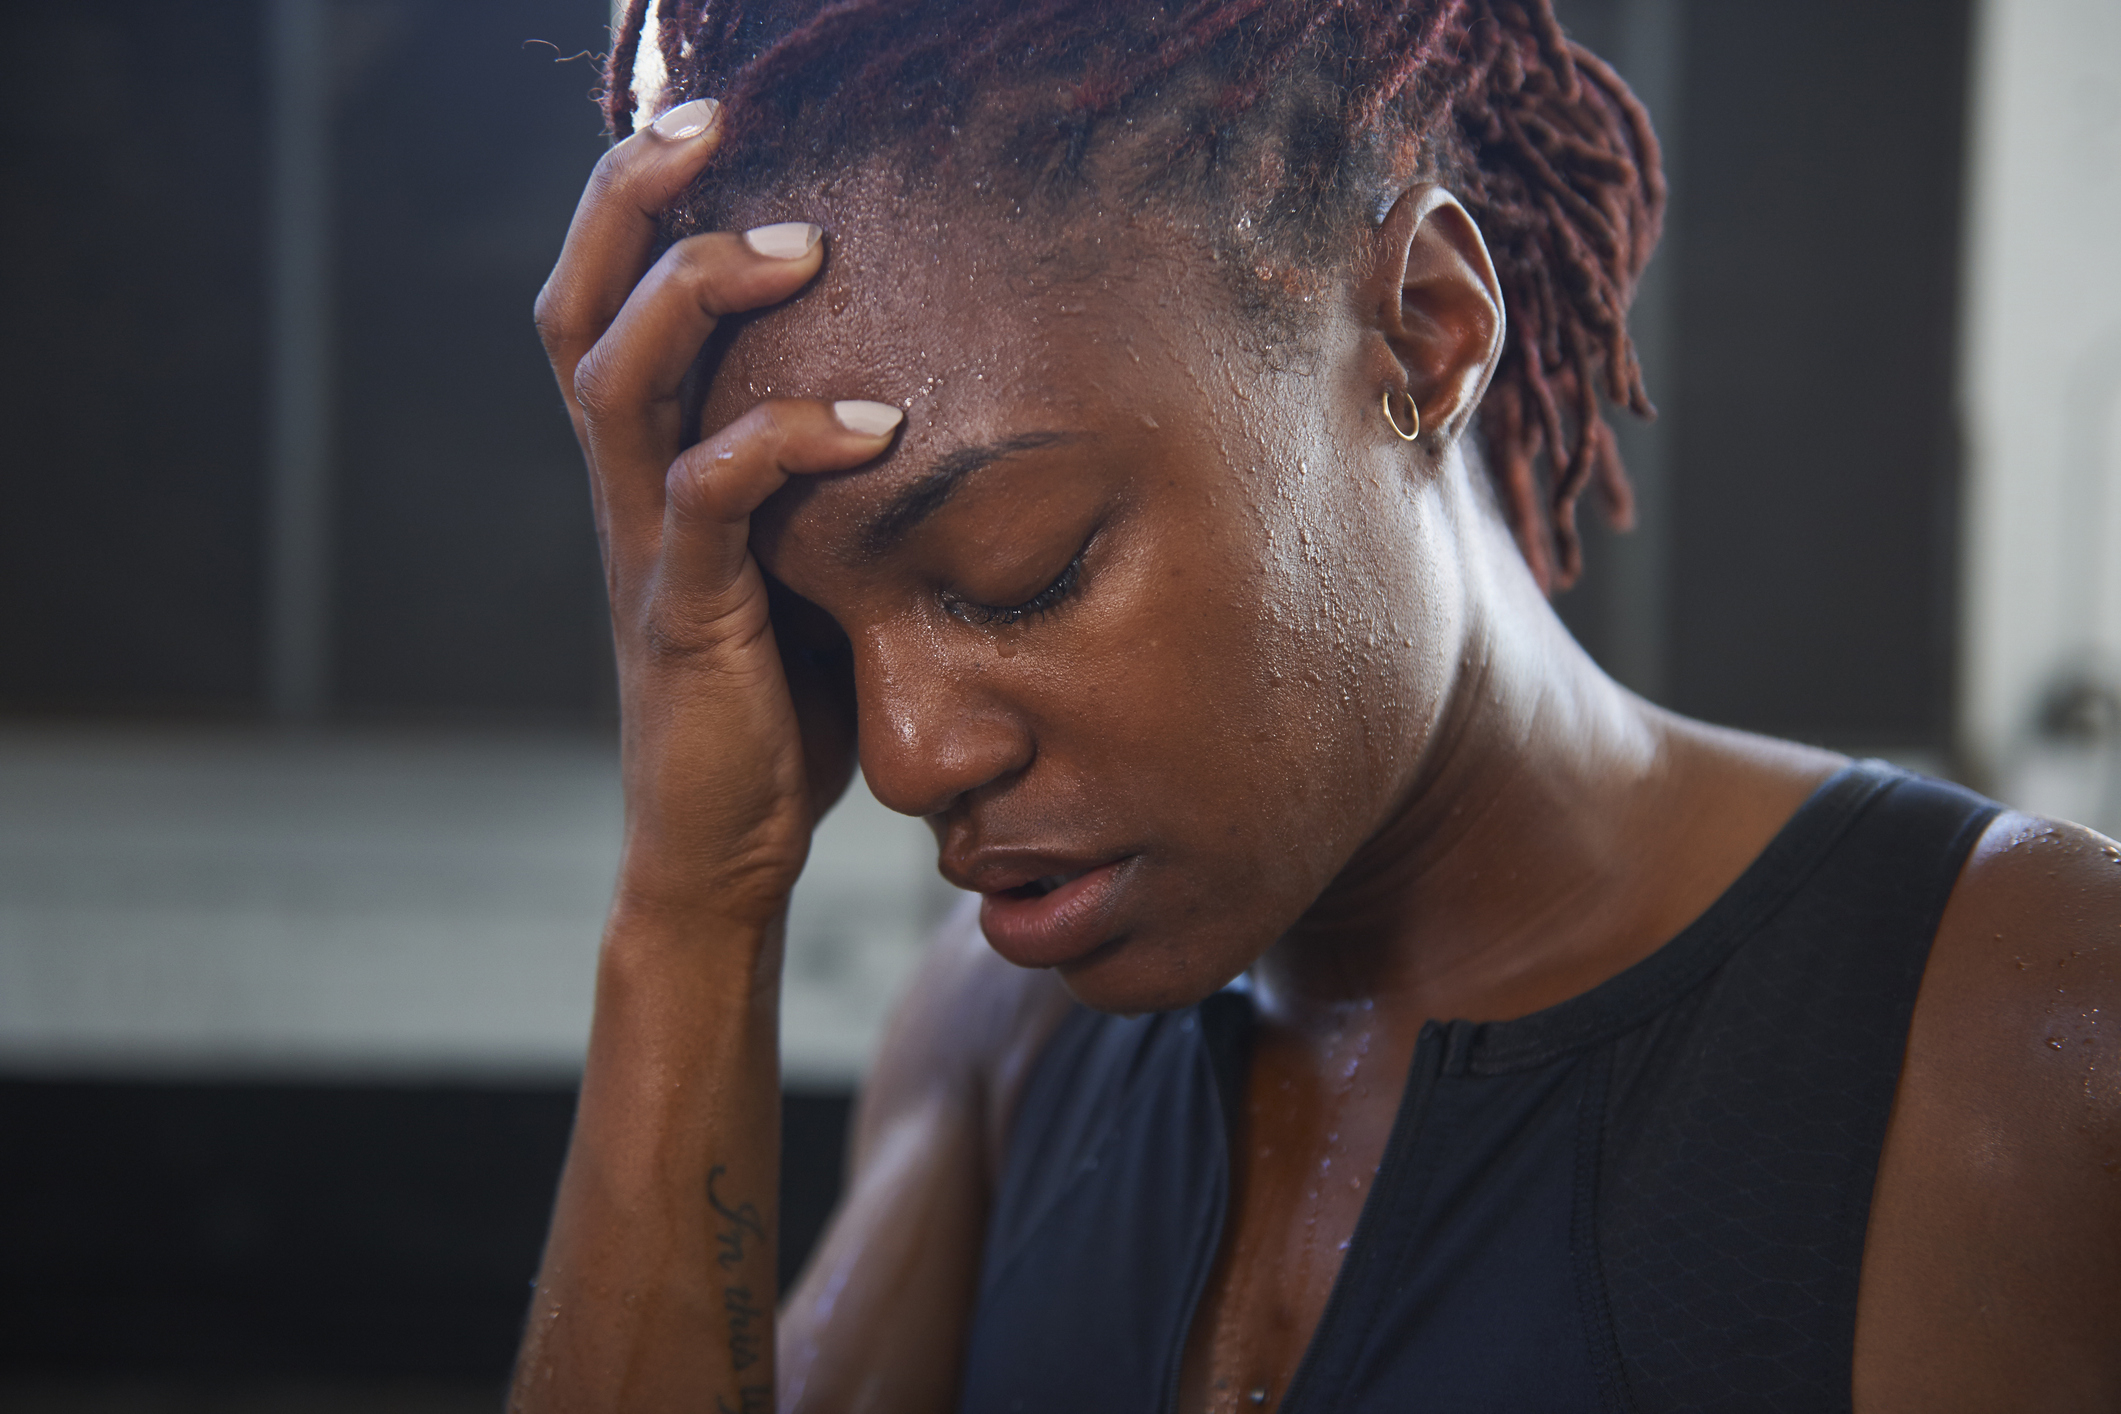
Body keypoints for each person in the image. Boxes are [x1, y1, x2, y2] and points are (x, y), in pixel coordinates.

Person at [509, 2, 2121, 1409]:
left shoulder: (2021, 1021)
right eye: (815, 635)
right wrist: (694, 902)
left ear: (1424, 332)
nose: (908, 754)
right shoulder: (995, 1039)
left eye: (1019, 572)